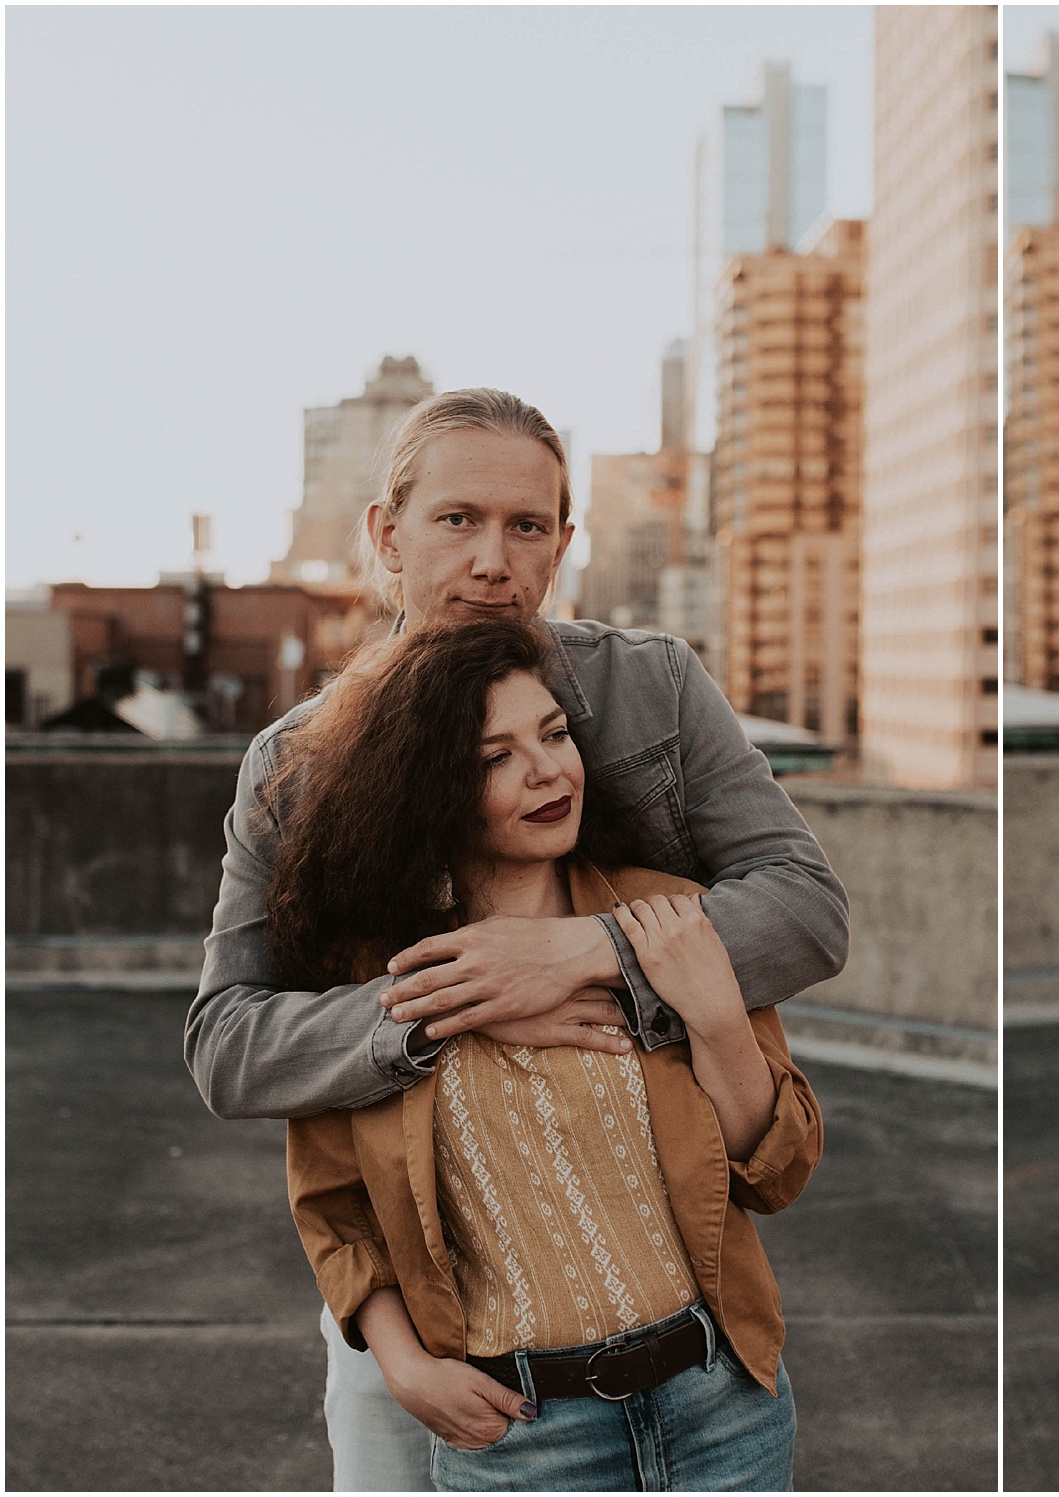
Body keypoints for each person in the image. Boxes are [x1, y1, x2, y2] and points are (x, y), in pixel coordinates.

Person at [186, 387, 848, 1489]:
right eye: (458, 521)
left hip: (678, 1313)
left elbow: (805, 911)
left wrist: (585, 954)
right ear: (385, 536)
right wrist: (463, 1002)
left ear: (563, 545)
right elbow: (231, 1047)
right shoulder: (297, 763)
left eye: (526, 526)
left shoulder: (650, 688)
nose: (494, 559)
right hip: (430, 1303)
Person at [279, 617, 820, 1491]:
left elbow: (776, 1173)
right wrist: (406, 1367)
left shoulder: (672, 916)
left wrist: (714, 1011)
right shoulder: (378, 980)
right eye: (495, 757)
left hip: (725, 1411)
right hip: (524, 1439)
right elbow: (337, 1208)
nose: (546, 770)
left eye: (555, 733)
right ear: (427, 791)